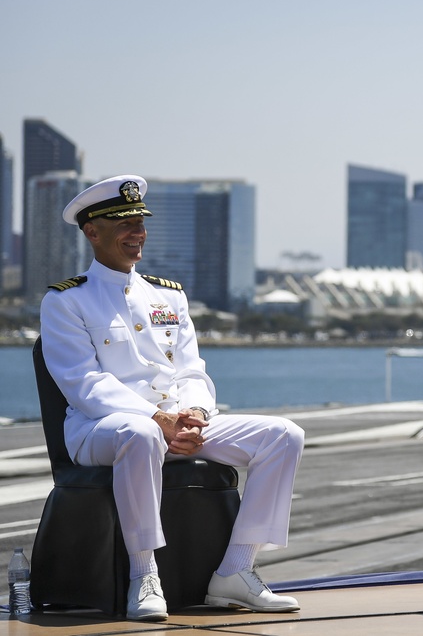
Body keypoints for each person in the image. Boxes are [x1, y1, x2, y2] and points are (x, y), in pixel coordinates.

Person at [39, 175, 306, 621]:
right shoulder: (67, 301)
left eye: (140, 222)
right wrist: (161, 420)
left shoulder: (168, 295)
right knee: (141, 434)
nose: (137, 233)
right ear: (92, 232)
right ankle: (144, 575)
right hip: (99, 430)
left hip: (173, 424)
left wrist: (197, 414)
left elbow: (191, 370)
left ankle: (236, 570)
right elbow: (85, 385)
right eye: (123, 223)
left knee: (283, 435)